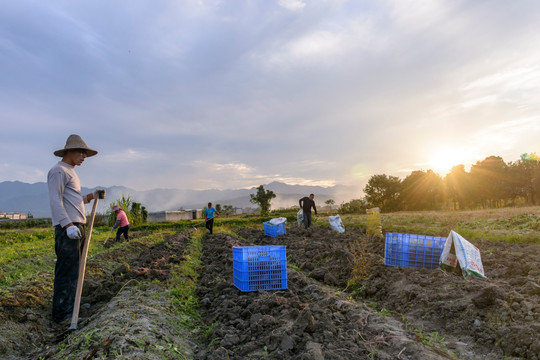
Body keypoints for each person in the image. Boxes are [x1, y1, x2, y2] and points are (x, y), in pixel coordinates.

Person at [47, 134, 104, 324]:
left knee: (76, 269)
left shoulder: (71, 171)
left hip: (76, 225)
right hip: (68, 227)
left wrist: (91, 196)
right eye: (81, 152)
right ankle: (62, 312)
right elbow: (55, 200)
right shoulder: (58, 171)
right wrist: (68, 225)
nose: (84, 156)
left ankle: (73, 305)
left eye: (85, 153)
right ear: (69, 151)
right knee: (67, 269)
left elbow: (74, 201)